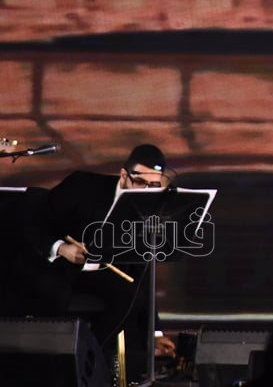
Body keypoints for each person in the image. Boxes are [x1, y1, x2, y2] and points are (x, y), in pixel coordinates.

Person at [19, 144, 177, 377]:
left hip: (100, 273)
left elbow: (143, 275)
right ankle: (49, 368)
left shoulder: (146, 210)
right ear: (123, 175)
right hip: (57, 265)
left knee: (130, 296)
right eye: (140, 182)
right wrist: (62, 248)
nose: (146, 191)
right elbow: (34, 223)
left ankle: (92, 364)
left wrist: (156, 333)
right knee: (52, 292)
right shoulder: (82, 186)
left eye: (153, 186)